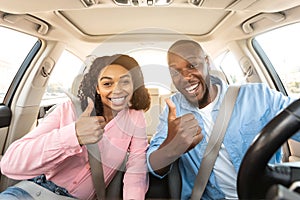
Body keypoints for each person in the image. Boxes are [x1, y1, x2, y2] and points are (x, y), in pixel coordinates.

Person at [146, 39, 300, 199]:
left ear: (207, 62)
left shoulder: (258, 96)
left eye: (192, 65)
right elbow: (152, 167)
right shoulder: (173, 111)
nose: (185, 77)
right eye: (175, 72)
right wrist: (172, 147)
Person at [0, 54, 151, 200]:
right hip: (34, 191)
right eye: (107, 83)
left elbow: (136, 168)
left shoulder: (135, 118)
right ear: (97, 88)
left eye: (125, 82)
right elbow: (9, 164)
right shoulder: (69, 109)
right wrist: (74, 135)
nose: (117, 90)